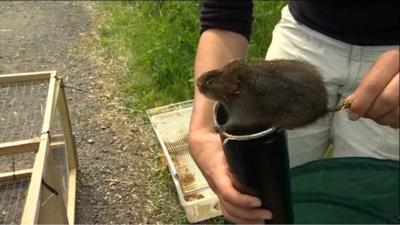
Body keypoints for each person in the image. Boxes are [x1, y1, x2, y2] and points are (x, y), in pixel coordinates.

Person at [188, 1, 399, 224]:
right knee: (259, 191)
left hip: (393, 65)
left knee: (364, 200)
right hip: (301, 43)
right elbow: (226, 10)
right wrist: (203, 131)